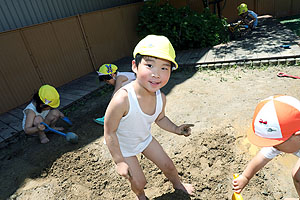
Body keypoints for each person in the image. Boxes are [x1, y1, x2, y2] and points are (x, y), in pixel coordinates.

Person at [104, 35, 195, 200]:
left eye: (164, 68)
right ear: (134, 66)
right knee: (139, 182)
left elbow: (160, 118)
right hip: (124, 147)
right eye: (149, 65)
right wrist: (119, 161)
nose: (156, 74)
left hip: (144, 139)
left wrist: (176, 129)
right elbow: (109, 131)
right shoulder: (122, 99)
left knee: (168, 165)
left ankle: (178, 185)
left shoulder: (161, 97)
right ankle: (141, 196)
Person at [232, 95, 300, 200]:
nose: (274, 147)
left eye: (276, 144)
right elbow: (262, 158)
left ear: (297, 135)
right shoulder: (286, 141)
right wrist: (245, 177)